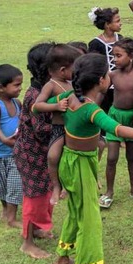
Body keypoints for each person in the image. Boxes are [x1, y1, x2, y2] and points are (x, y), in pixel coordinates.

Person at [42, 53, 133, 264]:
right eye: (108, 74)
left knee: (76, 212)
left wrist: (58, 105)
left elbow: (40, 106)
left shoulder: (68, 97)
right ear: (101, 80)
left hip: (69, 162)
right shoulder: (91, 110)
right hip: (81, 167)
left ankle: (62, 258)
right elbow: (117, 129)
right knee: (90, 219)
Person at [13, 42, 56, 259]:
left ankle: (38, 228)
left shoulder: (45, 89)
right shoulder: (36, 95)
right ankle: (27, 242)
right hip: (32, 155)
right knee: (34, 196)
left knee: (43, 192)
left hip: (40, 153)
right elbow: (40, 130)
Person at [99, 38, 133, 209]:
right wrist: (92, 109)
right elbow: (101, 94)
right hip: (114, 118)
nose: (114, 59)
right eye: (113, 56)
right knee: (112, 157)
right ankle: (109, 192)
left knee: (131, 156)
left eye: (118, 56)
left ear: (131, 56)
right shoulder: (112, 75)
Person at [33, 44, 80, 206]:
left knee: (75, 158)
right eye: (75, 67)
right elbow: (37, 106)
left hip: (74, 128)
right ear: (62, 70)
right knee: (53, 157)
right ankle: (56, 186)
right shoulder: (51, 85)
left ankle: (70, 185)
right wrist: (55, 106)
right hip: (59, 129)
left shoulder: (73, 82)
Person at [0, 64, 24, 229]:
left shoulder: (17, 103)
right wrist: (9, 141)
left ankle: (12, 218)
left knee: (15, 185)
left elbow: (23, 123)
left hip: (15, 153)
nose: (20, 88)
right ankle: (5, 208)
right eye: (16, 85)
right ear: (1, 87)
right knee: (2, 186)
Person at [88, 7, 122, 113]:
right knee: (104, 110)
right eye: (117, 21)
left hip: (121, 84)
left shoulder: (120, 39)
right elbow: (94, 65)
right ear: (107, 24)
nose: (120, 24)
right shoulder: (96, 43)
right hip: (104, 85)